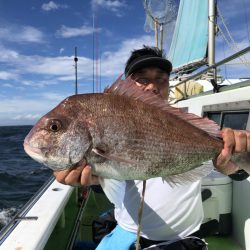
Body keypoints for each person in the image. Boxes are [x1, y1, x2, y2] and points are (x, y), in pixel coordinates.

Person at [54, 46, 250, 250]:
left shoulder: (191, 124)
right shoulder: (111, 122)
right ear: (127, 84)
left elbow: (231, 169)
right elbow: (108, 181)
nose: (152, 87)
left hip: (182, 239)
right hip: (126, 231)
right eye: (142, 79)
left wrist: (233, 166)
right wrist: (88, 180)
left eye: (161, 79)